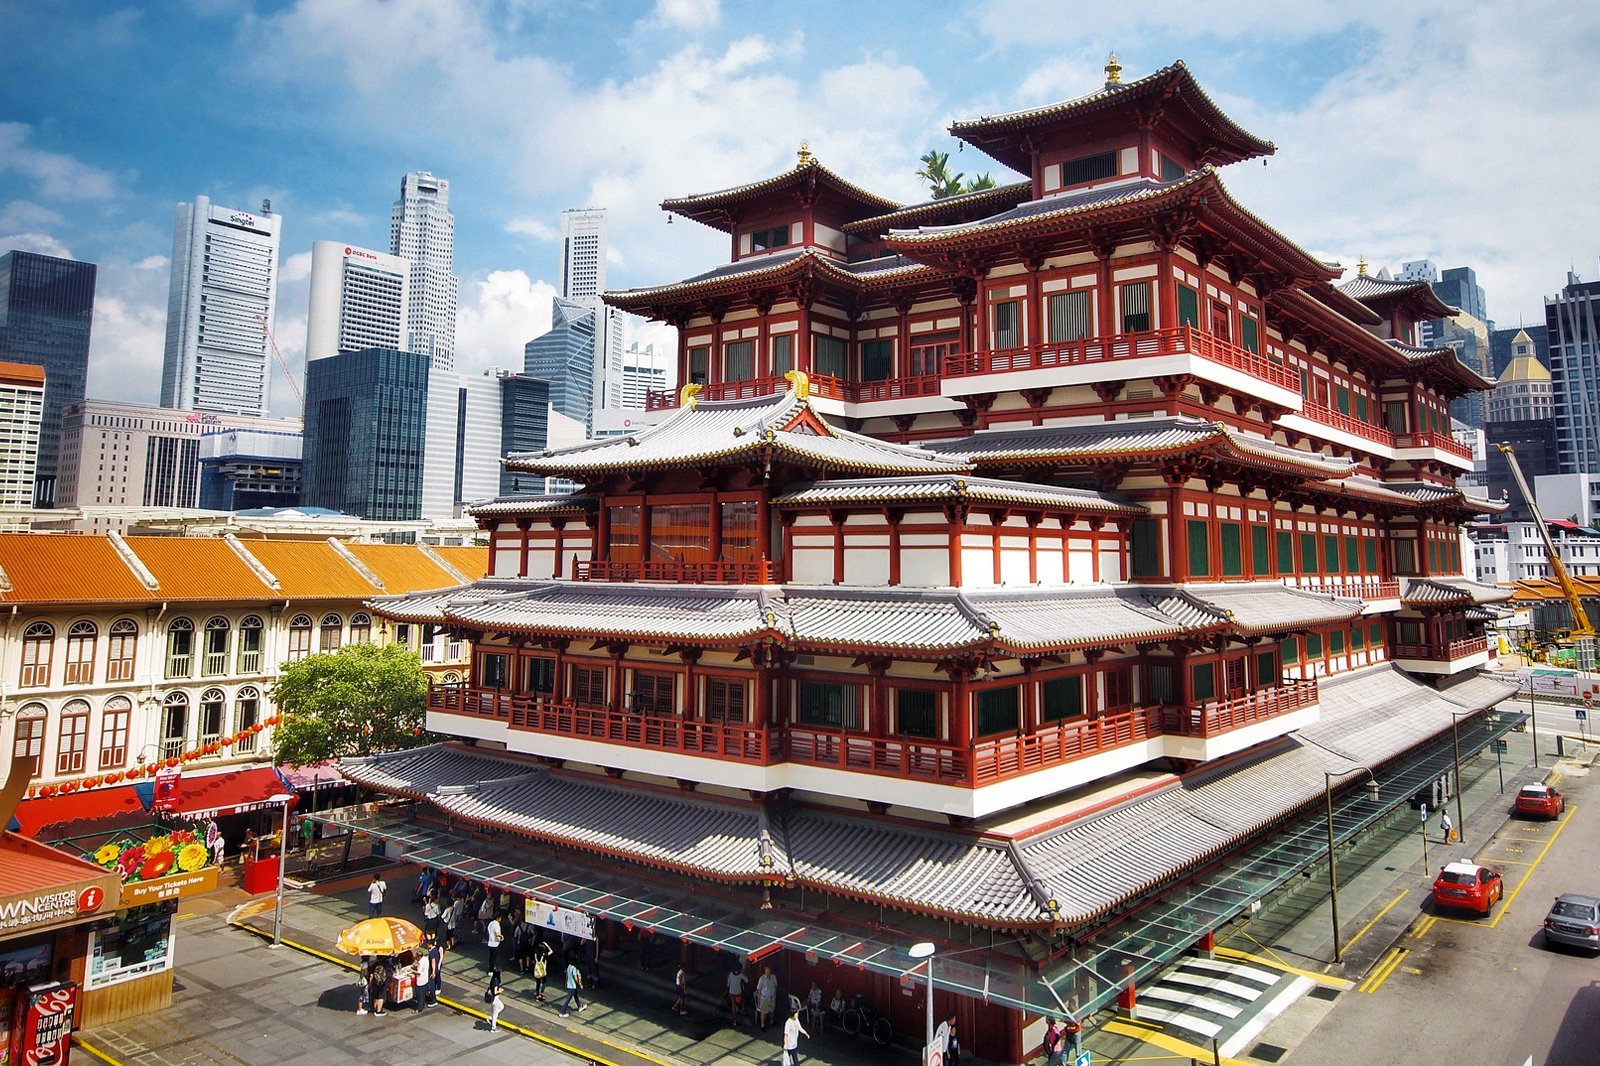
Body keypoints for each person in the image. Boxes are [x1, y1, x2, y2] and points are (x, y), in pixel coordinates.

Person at [755, 965, 778, 1030]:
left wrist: (774, 994)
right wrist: (759, 1000)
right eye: (766, 971)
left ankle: (771, 1021)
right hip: (764, 998)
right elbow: (759, 990)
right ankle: (762, 1025)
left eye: (768, 970)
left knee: (771, 1010)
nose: (767, 972)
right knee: (764, 1012)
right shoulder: (762, 979)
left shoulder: (773, 977)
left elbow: (776, 986)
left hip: (772, 997)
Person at [413, 944, 431, 1012]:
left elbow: (418, 972)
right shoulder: (425, 959)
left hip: (420, 981)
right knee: (423, 994)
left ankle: (419, 1008)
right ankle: (423, 1004)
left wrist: (413, 971)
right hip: (425, 979)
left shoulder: (420, 962)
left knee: (420, 996)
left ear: (419, 956)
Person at [427, 936, 444, 1005]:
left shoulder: (432, 953)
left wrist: (433, 972)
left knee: (431, 985)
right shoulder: (435, 951)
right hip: (436, 969)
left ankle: (433, 1000)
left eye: (427, 944)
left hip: (433, 971)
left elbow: (433, 962)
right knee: (432, 984)